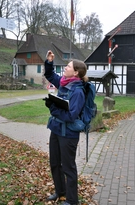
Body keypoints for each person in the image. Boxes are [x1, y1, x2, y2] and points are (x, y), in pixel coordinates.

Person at [44, 50, 88, 205]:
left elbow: (71, 116)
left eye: (68, 67)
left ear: (76, 72)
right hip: (56, 130)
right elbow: (50, 76)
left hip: (68, 134)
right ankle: (60, 192)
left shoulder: (77, 91)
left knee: (68, 167)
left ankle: (71, 200)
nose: (65, 68)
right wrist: (49, 62)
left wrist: (53, 108)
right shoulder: (64, 82)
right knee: (55, 163)